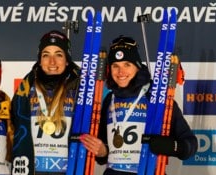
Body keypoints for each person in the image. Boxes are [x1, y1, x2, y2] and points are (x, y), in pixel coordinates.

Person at [80, 36, 198, 174]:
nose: (120, 72)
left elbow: (191, 144)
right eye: (115, 66)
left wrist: (172, 146)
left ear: (137, 66)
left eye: (127, 65)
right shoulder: (109, 99)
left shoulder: (156, 97)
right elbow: (104, 152)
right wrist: (101, 151)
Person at [11, 30, 80, 174]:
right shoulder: (25, 89)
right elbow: (12, 130)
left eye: (59, 55)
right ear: (40, 60)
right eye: (46, 55)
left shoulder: (81, 89)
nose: (52, 62)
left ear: (67, 60)